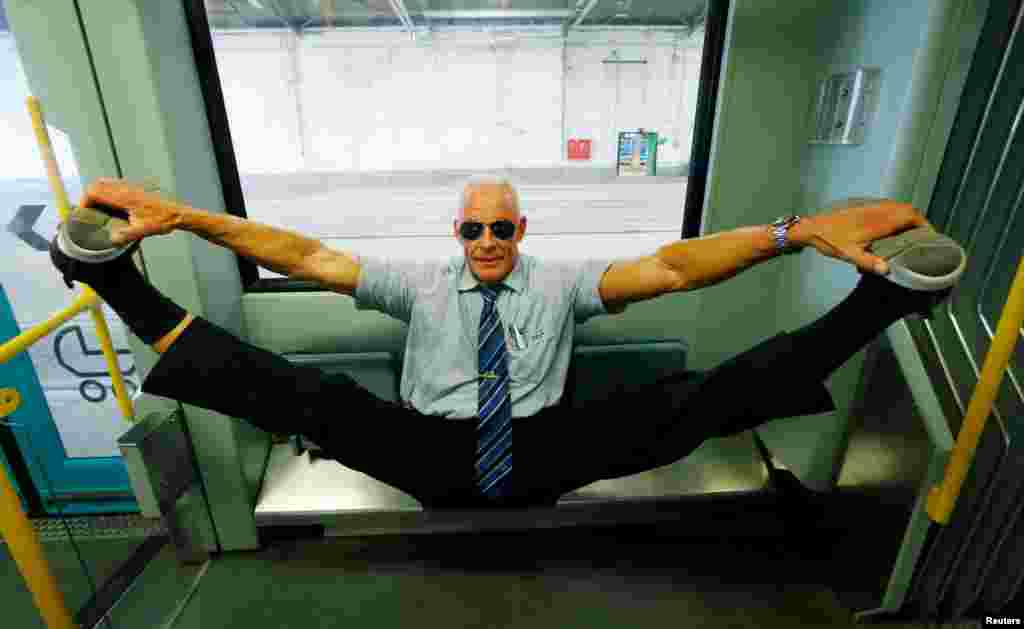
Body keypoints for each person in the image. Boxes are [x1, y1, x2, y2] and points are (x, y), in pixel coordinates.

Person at [49, 175, 966, 510]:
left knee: (698, 396)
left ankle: (886, 303)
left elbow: (678, 267)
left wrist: (792, 233)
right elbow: (304, 252)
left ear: (521, 231)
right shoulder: (418, 283)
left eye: (502, 228)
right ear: (456, 234)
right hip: (425, 447)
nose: (487, 242)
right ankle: (113, 277)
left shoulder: (563, 283)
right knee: (310, 396)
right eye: (473, 229)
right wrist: (184, 217)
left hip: (545, 449)